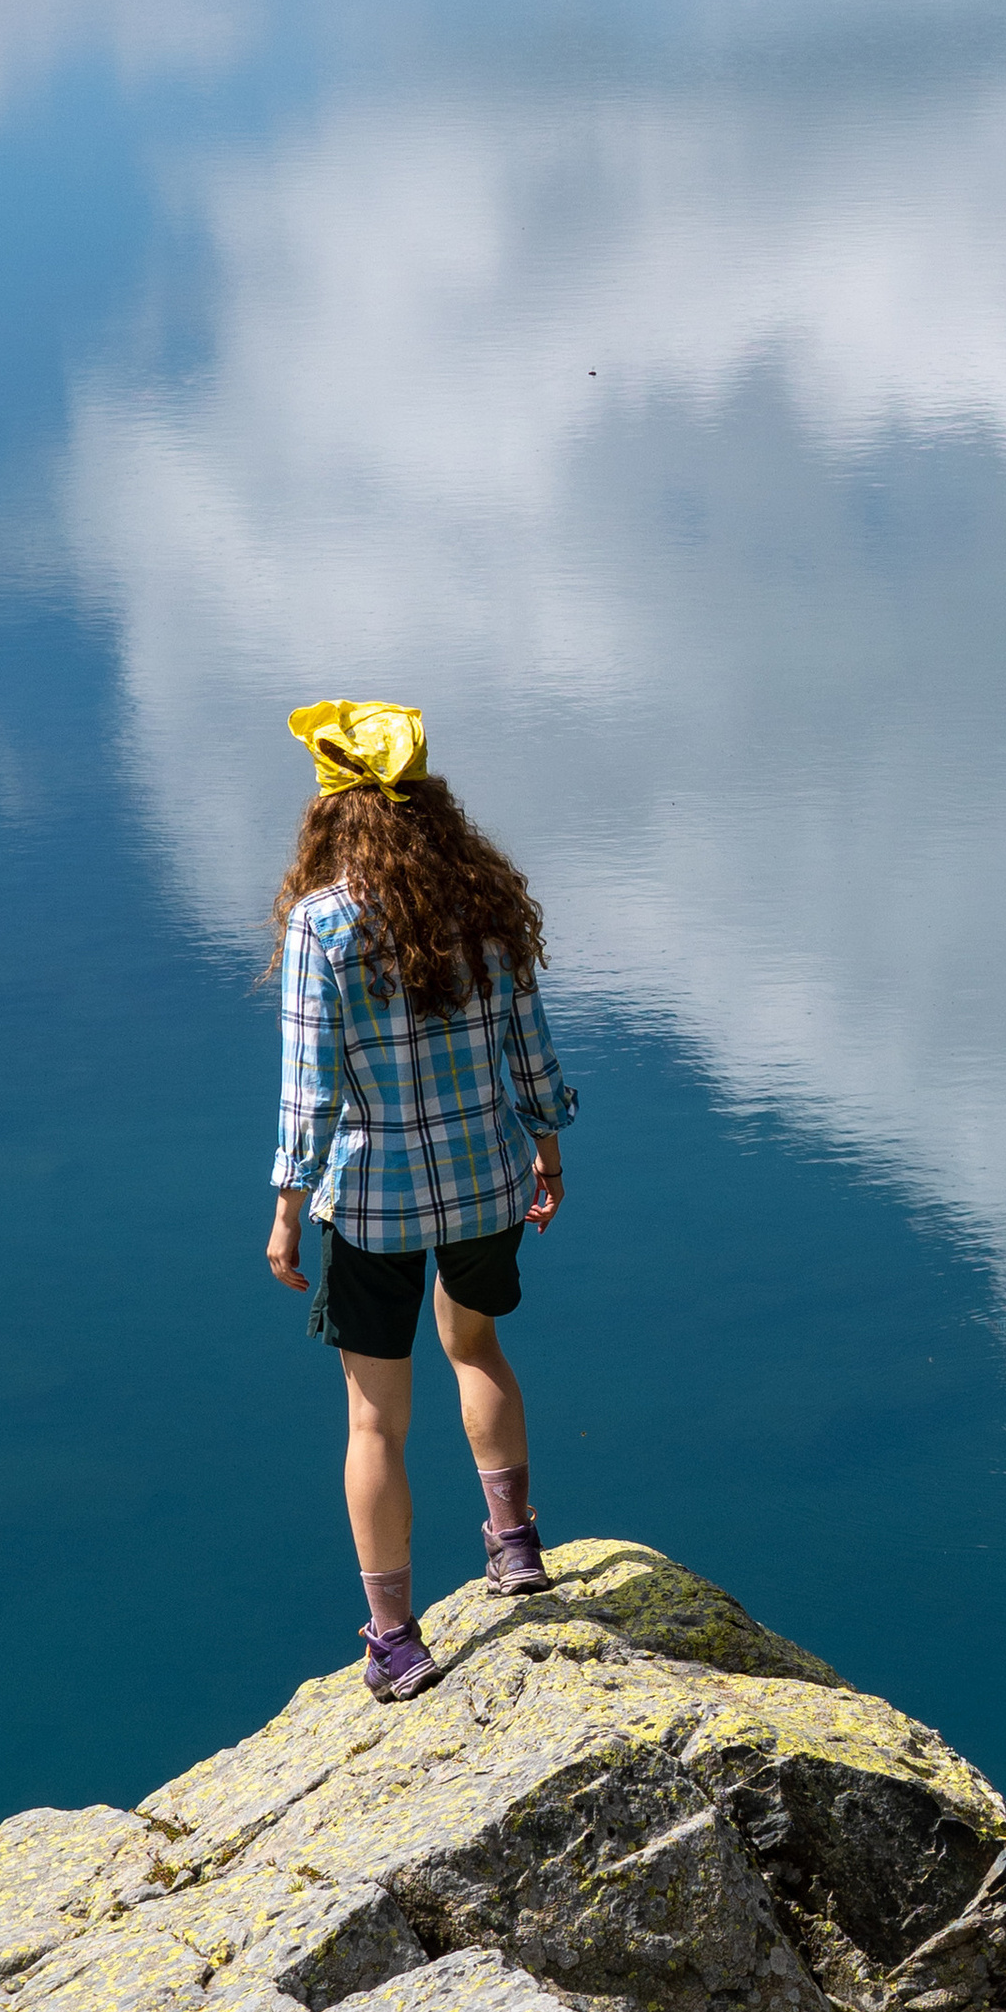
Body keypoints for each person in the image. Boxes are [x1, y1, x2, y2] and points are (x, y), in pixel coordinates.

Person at [265, 698, 577, 1703]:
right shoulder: (483, 903)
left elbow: (308, 1085)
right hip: (488, 1181)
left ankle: (396, 1640)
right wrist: (547, 1147)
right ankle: (517, 1549)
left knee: (373, 1423)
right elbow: (530, 1048)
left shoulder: (323, 925)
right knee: (477, 1349)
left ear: (330, 812)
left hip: (372, 1203)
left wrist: (284, 1205)